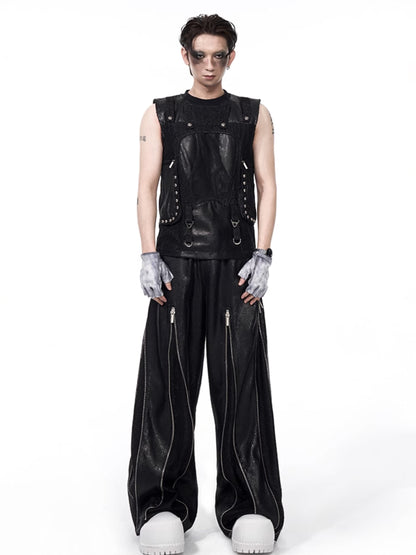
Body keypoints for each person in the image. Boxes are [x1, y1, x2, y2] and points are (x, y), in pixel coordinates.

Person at [127, 13, 285, 554]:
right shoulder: (161, 113)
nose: (210, 65)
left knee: (242, 385)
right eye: (200, 55)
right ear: (185, 56)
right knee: (169, 385)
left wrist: (264, 254)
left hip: (236, 266)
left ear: (231, 57)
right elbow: (146, 187)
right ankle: (162, 505)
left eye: (219, 56)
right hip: (176, 266)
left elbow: (267, 185)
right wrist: (148, 255)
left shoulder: (253, 113)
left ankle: (250, 505)